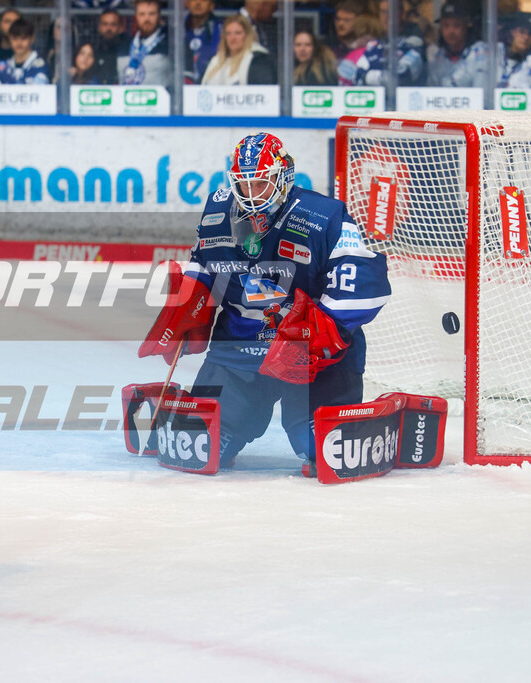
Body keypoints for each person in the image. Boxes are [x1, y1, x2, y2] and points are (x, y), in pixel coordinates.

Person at [139, 133, 390, 474]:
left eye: (260, 183)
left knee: (322, 446)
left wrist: (324, 329)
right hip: (243, 342)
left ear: (284, 178)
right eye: (243, 184)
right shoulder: (218, 210)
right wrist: (190, 304)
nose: (251, 194)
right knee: (203, 442)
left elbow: (364, 279)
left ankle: (384, 425)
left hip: (309, 351)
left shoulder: (324, 216)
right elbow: (204, 263)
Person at [200, 15, 275, 86]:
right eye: (228, 33)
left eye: (238, 33)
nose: (233, 38)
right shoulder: (216, 60)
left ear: (247, 35)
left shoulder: (258, 60)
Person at [427, 3, 488, 87]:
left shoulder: (479, 52)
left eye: (456, 25)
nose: (451, 31)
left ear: (466, 26)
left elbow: (481, 92)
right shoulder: (438, 58)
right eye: (446, 25)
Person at [118, 0, 171, 86]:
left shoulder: (169, 43)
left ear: (159, 16)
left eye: (152, 14)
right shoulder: (123, 44)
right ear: (136, 16)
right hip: (125, 94)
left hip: (158, 95)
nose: (147, 19)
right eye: (142, 14)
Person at [0, 17, 50, 85]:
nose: (19, 43)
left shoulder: (41, 66)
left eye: (23, 38)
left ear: (32, 39)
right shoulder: (2, 67)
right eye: (15, 38)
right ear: (9, 39)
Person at [184, 0, 224, 84]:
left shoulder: (222, 30)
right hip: (183, 85)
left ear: (211, 5)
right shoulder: (176, 28)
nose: (198, 3)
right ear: (187, 3)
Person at [91, 9, 127, 85]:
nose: (109, 28)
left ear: (120, 27)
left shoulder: (128, 50)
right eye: (105, 24)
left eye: (113, 24)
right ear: (99, 27)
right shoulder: (93, 51)